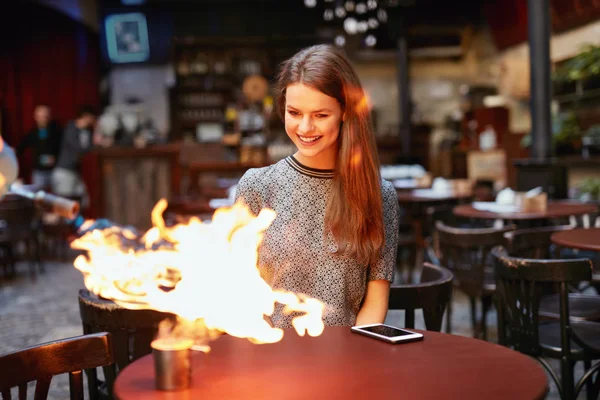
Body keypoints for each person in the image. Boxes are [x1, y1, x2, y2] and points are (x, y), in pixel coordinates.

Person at [234, 45, 399, 328]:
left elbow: (375, 302)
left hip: (347, 359)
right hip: (270, 356)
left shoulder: (379, 196)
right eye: (294, 113)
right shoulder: (256, 187)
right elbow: (238, 292)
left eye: (321, 115)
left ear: (345, 111)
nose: (305, 127)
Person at [52, 105, 97, 205]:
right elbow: (77, 147)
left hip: (75, 172)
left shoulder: (88, 132)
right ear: (86, 116)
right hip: (64, 171)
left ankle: (78, 220)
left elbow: (89, 149)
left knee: (83, 201)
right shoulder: (71, 127)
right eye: (92, 118)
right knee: (64, 203)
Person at [16, 104, 62, 190]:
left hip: (55, 170)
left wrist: (56, 158)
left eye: (46, 116)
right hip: (39, 171)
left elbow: (63, 148)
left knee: (57, 198)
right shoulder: (32, 133)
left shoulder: (57, 131)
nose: (44, 118)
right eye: (41, 116)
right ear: (36, 117)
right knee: (39, 197)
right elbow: (21, 147)